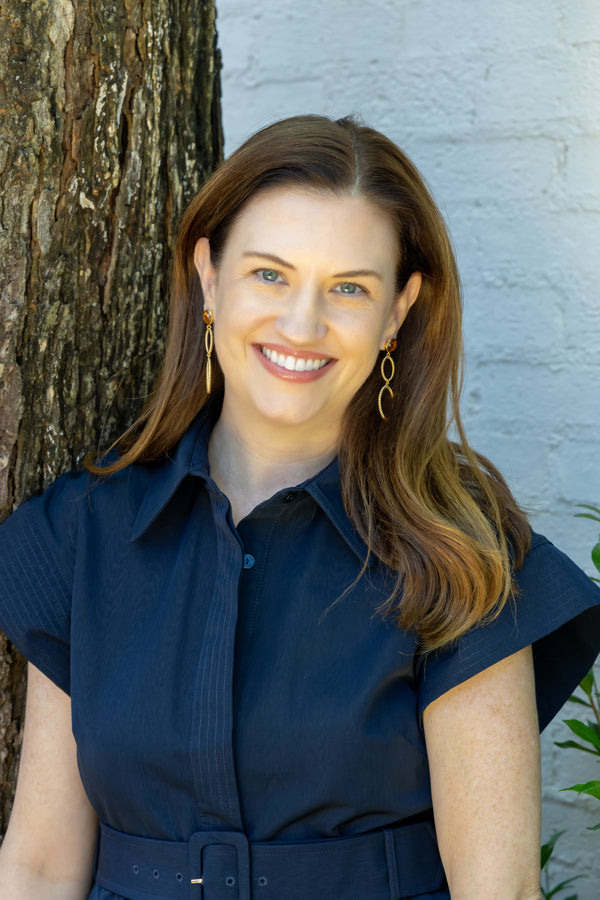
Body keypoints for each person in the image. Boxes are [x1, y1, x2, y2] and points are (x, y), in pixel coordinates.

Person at [0, 114, 599, 900]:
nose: (301, 324)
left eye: (348, 287)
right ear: (210, 276)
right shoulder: (87, 533)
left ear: (397, 311)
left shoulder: (455, 544)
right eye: (270, 275)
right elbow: (42, 865)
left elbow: (501, 889)